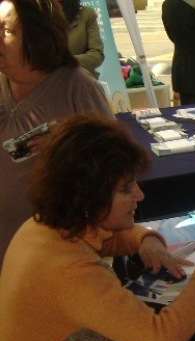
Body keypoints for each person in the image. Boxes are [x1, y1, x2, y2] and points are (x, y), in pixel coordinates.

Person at [0, 114, 195, 341]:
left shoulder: (44, 226)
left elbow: (104, 235)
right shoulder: (71, 272)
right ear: (88, 196)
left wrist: (144, 239)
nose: (139, 194)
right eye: (126, 189)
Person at [0, 0, 112, 266]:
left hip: (52, 259)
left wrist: (74, 143)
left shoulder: (78, 87)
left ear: (38, 35)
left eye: (6, 30)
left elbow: (116, 170)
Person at [62, 0, 104, 79]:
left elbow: (97, 55)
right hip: (48, 83)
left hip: (80, 81)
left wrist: (68, 61)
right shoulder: (41, 17)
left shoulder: (86, 14)